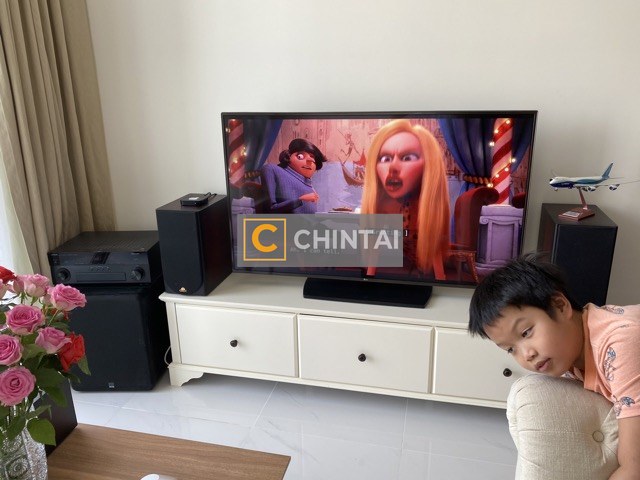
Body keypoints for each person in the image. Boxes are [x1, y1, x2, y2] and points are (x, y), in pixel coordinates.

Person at [468, 253, 640, 479]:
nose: (527, 354)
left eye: (526, 332)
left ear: (560, 306)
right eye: (510, 349)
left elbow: (634, 468)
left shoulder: (620, 344)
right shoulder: (569, 353)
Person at [361, 119, 449, 280]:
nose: (392, 167)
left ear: (429, 165)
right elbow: (375, 242)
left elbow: (434, 246)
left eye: (408, 157)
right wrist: (369, 279)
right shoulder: (382, 205)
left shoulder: (427, 207)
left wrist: (442, 283)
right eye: (385, 158)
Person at [261, 138, 326, 213]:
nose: (310, 160)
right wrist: (301, 200)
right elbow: (270, 209)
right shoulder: (272, 169)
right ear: (288, 156)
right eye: (300, 156)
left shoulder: (309, 185)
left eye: (312, 157)